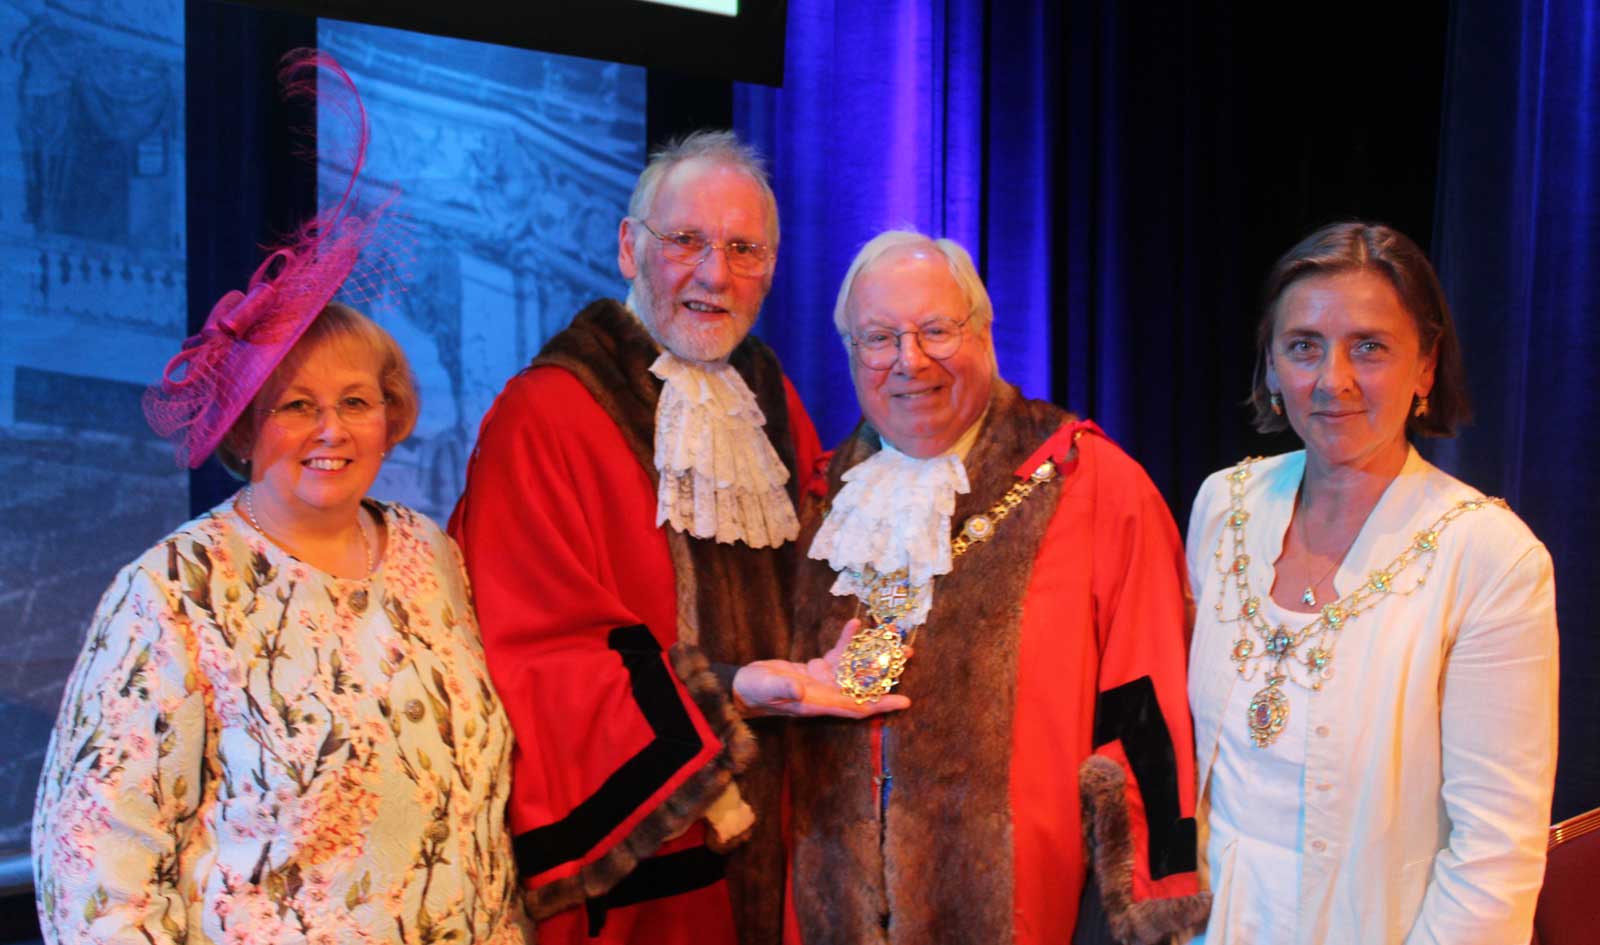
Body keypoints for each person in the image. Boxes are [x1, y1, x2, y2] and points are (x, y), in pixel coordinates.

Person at [31, 52, 529, 945]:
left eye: (354, 402)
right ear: (244, 426)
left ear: (391, 415)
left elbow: (473, 827)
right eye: (296, 405)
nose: (330, 430)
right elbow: (96, 874)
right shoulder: (172, 594)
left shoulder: (431, 555)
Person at [448, 130, 899, 945]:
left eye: (742, 248)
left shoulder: (765, 394)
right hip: (649, 863)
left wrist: (862, 654)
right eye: (685, 240)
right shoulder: (543, 415)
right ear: (629, 247)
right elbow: (531, 659)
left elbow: (830, 579)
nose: (713, 274)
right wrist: (726, 695)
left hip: (779, 849)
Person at [786, 230, 1208, 945]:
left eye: (936, 330)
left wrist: (1142, 907)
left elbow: (1153, 721)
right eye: (879, 337)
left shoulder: (1093, 484)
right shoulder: (821, 500)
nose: (908, 360)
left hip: (1031, 915)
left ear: (984, 332)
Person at [1186, 222, 1558, 943]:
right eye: (1304, 346)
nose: (1334, 380)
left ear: (1426, 366)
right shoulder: (1222, 506)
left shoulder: (1490, 557)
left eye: (1370, 347)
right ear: (1270, 366)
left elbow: (1495, 852)